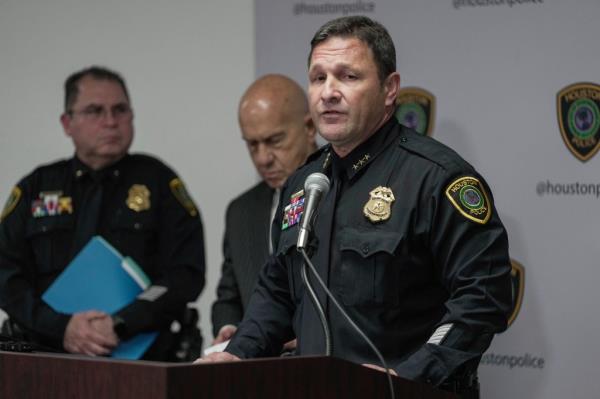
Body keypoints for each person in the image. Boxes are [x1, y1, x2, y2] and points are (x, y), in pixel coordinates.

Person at [198, 15, 512, 396]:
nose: (328, 92)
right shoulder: (304, 183)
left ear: (389, 88)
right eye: (318, 78)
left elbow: (483, 298)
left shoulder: (436, 178)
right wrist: (238, 354)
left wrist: (408, 376)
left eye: (348, 77)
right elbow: (278, 290)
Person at [0, 66, 206, 361]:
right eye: (95, 111)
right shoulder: (36, 187)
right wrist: (62, 327)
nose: (110, 121)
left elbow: (185, 274)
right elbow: (6, 276)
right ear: (67, 123)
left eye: (120, 110)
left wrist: (121, 324)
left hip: (140, 357)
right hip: (44, 357)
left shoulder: (159, 182)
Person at [211, 74, 317, 346]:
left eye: (275, 141)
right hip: (258, 368)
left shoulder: (346, 192)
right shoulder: (241, 211)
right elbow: (229, 297)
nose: (263, 159)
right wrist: (229, 327)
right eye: (252, 144)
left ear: (309, 127)